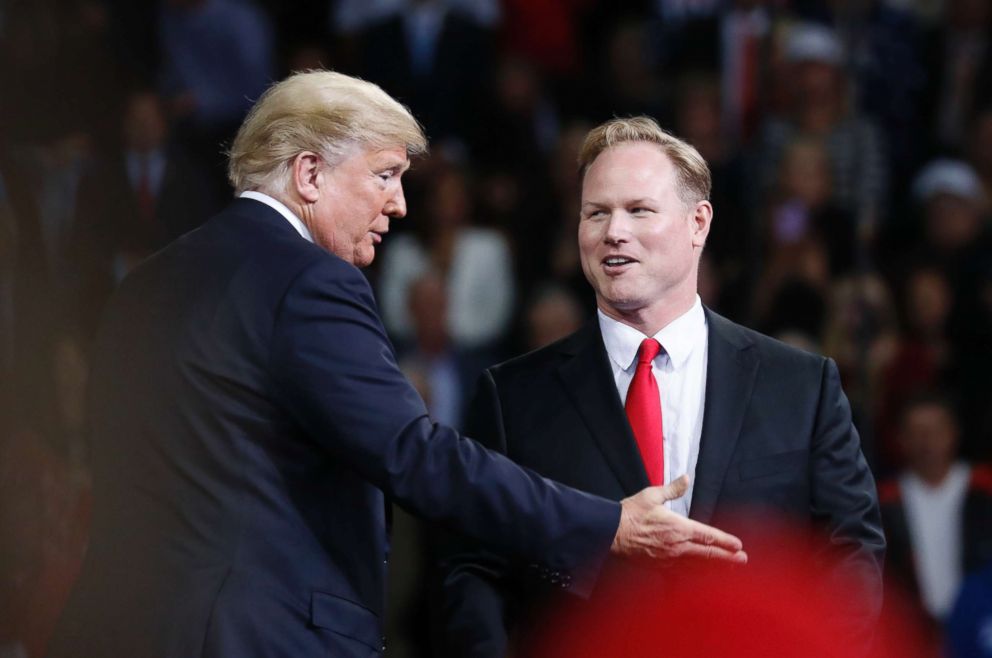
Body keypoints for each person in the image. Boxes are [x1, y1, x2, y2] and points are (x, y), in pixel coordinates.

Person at [45, 72, 746, 658]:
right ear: (309, 173)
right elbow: (415, 455)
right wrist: (604, 526)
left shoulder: (147, 283)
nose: (400, 203)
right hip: (252, 637)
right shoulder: (306, 280)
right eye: (384, 174)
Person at [435, 116, 885, 657]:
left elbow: (850, 556)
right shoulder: (513, 398)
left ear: (698, 224)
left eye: (639, 210)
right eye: (595, 213)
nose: (613, 232)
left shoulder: (801, 386)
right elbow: (474, 574)